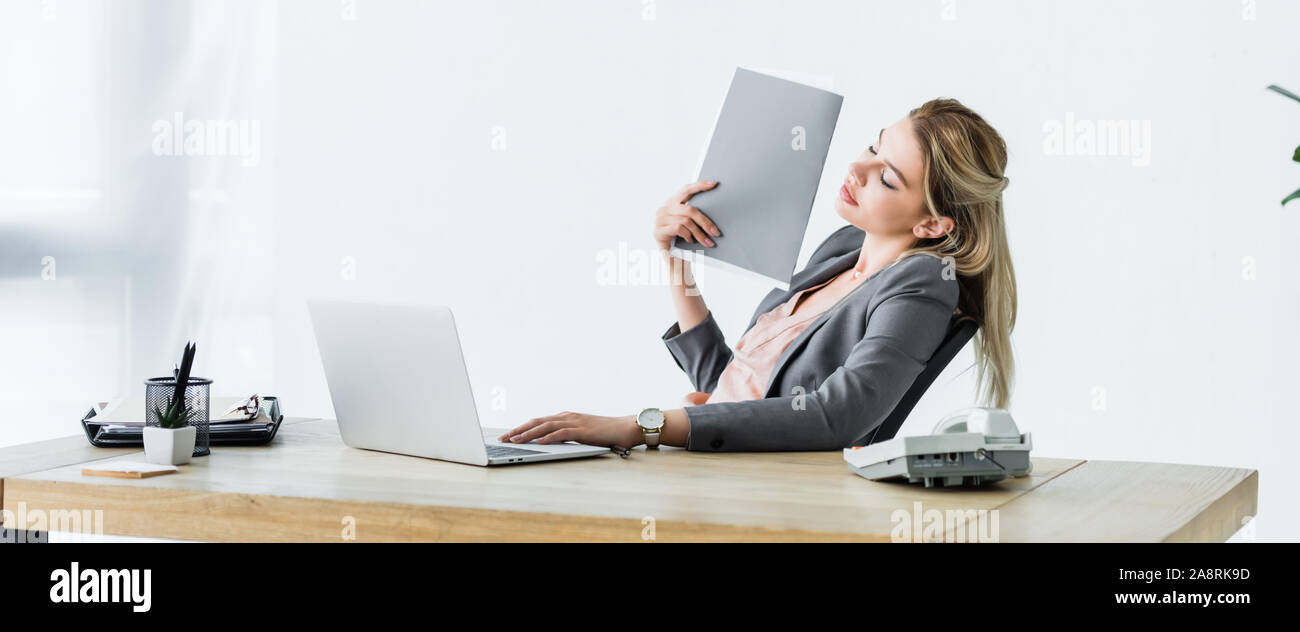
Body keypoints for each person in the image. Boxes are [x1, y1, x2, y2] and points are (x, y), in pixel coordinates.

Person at [500, 98, 1016, 452]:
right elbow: (730, 384)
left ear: (932, 223)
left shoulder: (923, 283)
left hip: (776, 494)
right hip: (714, 465)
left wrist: (644, 427)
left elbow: (839, 415)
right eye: (874, 146)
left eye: (886, 177)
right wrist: (674, 259)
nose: (857, 169)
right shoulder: (843, 249)